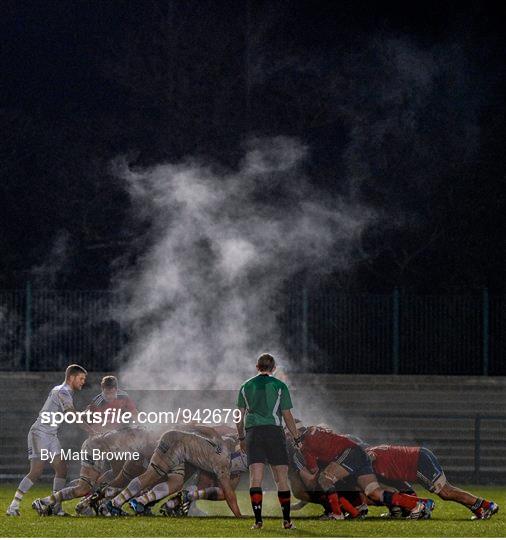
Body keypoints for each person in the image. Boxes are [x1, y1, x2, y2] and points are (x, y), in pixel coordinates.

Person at [294, 425, 434, 520]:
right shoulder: (315, 430)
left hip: (351, 454)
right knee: (374, 492)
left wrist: (305, 475)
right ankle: (417, 505)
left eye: (290, 434)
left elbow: (313, 472)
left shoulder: (305, 446)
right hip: (359, 453)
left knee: (325, 480)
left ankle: (336, 514)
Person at [6, 364, 89, 516]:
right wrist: (88, 427)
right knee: (36, 470)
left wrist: (83, 414)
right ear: (71, 377)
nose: (83, 381)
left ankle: (56, 508)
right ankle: (13, 506)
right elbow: (70, 414)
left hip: (50, 435)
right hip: (39, 433)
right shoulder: (62, 391)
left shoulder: (64, 392)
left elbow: (70, 413)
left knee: (62, 469)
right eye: (81, 378)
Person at [102, 429, 242, 518]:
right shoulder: (223, 464)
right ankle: (114, 503)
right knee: (151, 475)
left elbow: (211, 430)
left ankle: (139, 502)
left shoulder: (223, 443)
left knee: (176, 483)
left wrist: (190, 426)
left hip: (178, 442)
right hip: (176, 444)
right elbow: (229, 493)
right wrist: (239, 516)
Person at [236, 352, 300, 530]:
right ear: (273, 368)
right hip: (274, 433)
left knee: (255, 479)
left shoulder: (245, 386)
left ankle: (258, 522)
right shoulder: (280, 386)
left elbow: (238, 417)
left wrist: (241, 438)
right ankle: (286, 521)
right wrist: (297, 437)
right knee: (281, 479)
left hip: (253, 433)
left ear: (257, 367)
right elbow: (287, 415)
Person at [366, 444, 499, 520]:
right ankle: (480, 510)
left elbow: (370, 456)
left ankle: (488, 505)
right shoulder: (370, 456)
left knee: (446, 492)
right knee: (447, 491)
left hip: (418, 462)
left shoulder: (365, 455)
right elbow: (399, 485)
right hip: (419, 456)